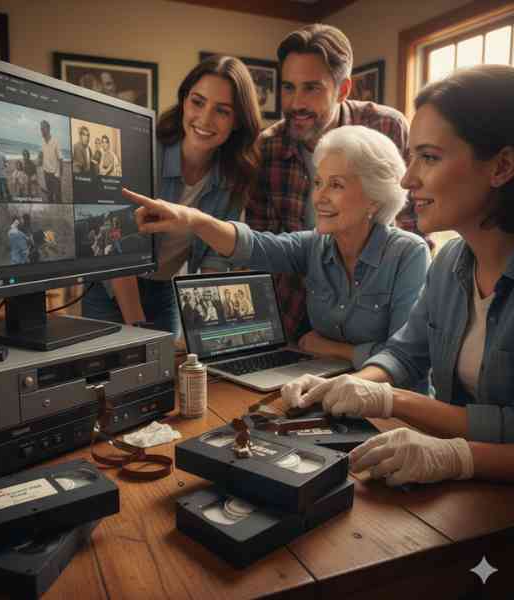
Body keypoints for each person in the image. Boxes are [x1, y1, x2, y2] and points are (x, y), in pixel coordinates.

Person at [281, 65, 514, 485]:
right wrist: (354, 385)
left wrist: (458, 455)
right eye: (411, 157)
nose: (407, 179)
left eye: (429, 157)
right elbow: (406, 353)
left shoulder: (413, 253)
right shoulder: (448, 263)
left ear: (501, 167)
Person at [122, 124, 431, 373]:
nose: (320, 197)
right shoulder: (315, 245)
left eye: (336, 185)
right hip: (325, 386)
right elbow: (253, 246)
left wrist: (336, 349)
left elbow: (404, 357)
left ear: (375, 198)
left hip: (390, 409)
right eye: (319, 183)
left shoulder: (408, 253)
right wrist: (193, 219)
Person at [247, 24, 428, 342]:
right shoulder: (268, 148)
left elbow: (414, 227)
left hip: (378, 322)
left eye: (311, 88)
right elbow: (264, 250)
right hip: (297, 322)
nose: (295, 103)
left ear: (343, 89)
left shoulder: (387, 127)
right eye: (288, 88)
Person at [81, 55, 262, 335]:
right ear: (184, 100)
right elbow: (117, 243)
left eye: (222, 111)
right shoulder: (142, 149)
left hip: (163, 287)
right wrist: (138, 326)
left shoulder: (235, 178)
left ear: (238, 121)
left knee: (169, 372)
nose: (204, 119)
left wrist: (209, 333)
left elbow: (215, 261)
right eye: (197, 102)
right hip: (110, 286)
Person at [37, 120, 62, 202]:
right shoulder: (42, 142)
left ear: (48, 129)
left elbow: (60, 159)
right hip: (46, 173)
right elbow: (40, 158)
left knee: (58, 196)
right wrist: (38, 161)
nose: (41, 131)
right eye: (41, 129)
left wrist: (59, 175)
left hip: (55, 175)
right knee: (49, 195)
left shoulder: (56, 141)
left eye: (43, 128)